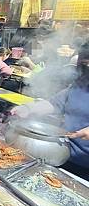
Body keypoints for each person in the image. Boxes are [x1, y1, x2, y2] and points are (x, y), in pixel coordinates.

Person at [12, 42, 89, 179]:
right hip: (63, 156)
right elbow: (54, 103)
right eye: (85, 63)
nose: (86, 67)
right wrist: (28, 108)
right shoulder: (81, 84)